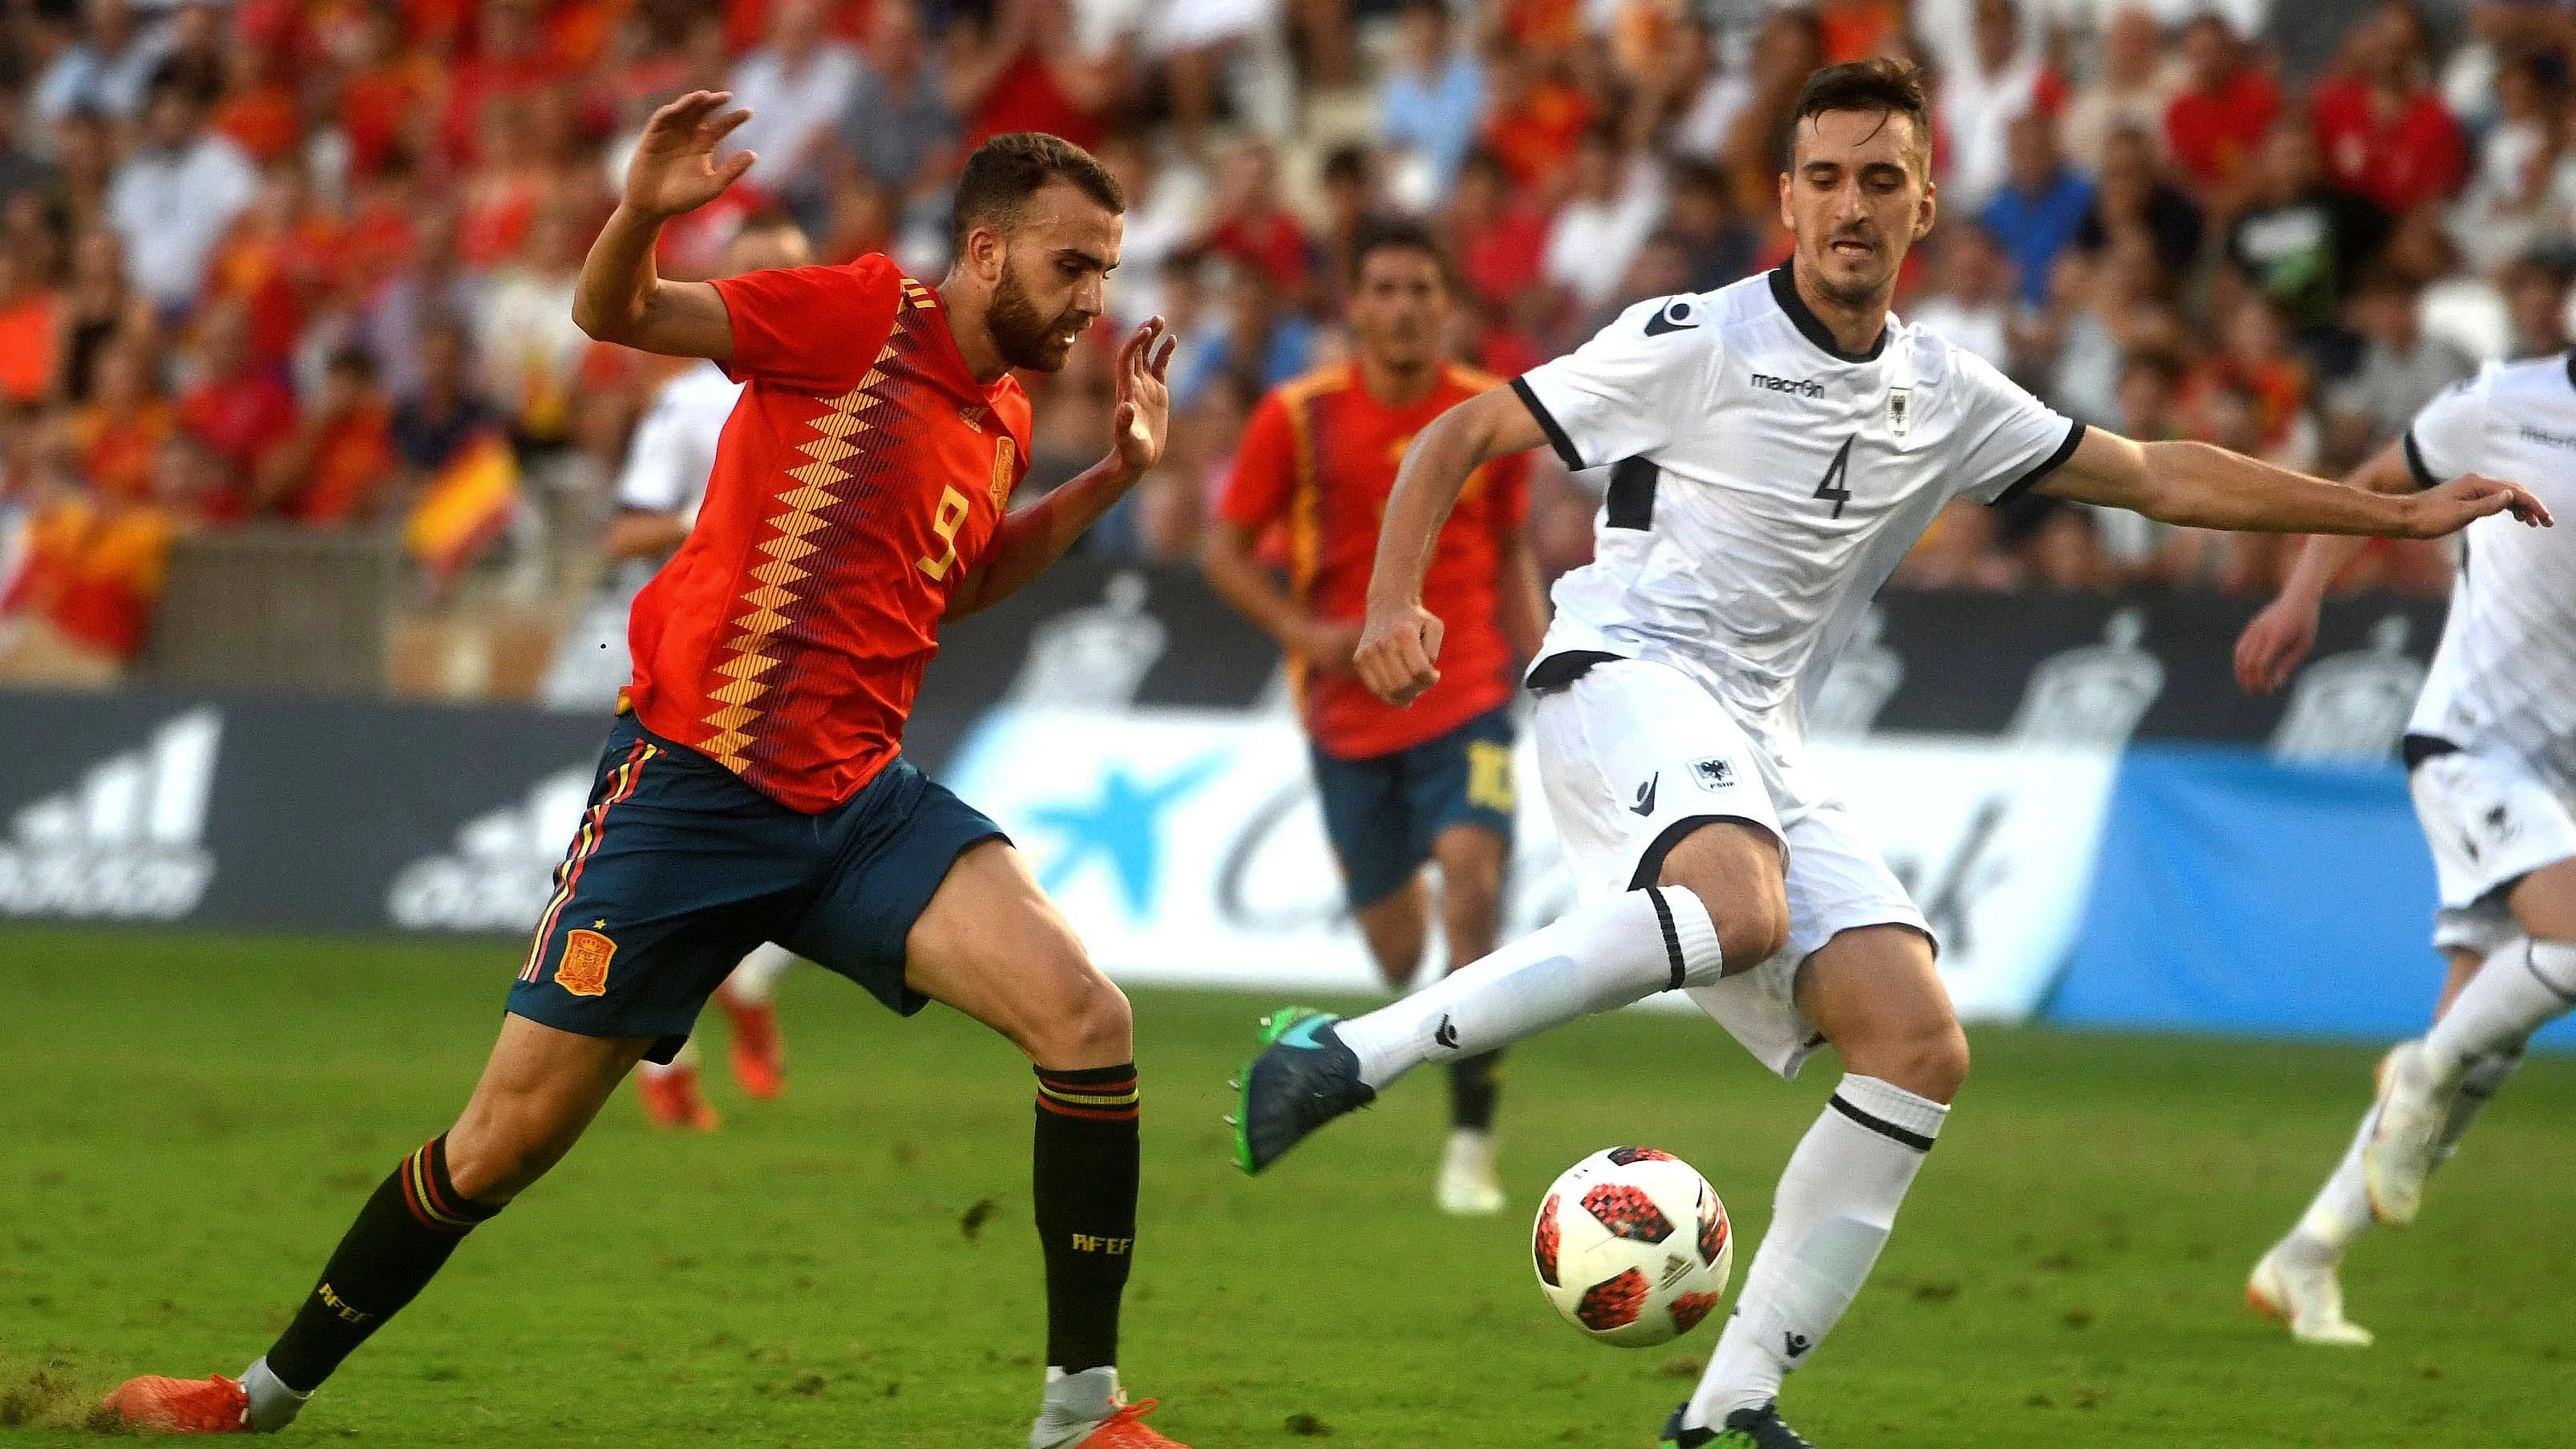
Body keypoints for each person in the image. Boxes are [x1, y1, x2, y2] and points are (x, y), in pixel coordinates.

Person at [1229, 59, 2546, 1449]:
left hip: (1757, 733)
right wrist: (1394, 598)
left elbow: (2156, 472)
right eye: (1823, 178)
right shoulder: (1698, 336)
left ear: (1923, 204)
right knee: (1739, 906)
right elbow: (1463, 428)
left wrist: (2385, 518)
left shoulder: (1944, 388)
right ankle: (1344, 1053)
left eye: (1878, 179)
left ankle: (1729, 1407)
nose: (1848, 206)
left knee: (1915, 1040)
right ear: (1784, 199)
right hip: (1621, 675)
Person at [100, 99, 1189, 1449]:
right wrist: (640, 210)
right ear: (982, 254)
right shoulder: (858, 317)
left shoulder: (1004, 415)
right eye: (1072, 264)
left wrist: (1107, 482)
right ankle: (255, 1397)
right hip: (692, 788)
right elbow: (620, 316)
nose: (1096, 297)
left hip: (853, 801)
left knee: (1087, 1018)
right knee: (498, 1145)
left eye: (1105, 269)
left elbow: (951, 584)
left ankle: (1079, 1416)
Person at [1201, 219, 1547, 1216]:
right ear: (1354, 305)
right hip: (1349, 718)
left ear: (1448, 305)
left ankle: (1472, 1142)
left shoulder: (1490, 412)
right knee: (1399, 953)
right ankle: (1416, 1043)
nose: (1401, 306)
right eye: (1383, 288)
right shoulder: (1296, 418)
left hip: (1469, 692)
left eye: (1420, 289)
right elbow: (1225, 550)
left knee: (1474, 891)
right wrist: (1300, 632)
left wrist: (1547, 656)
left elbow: (1512, 541)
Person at [2234, 353, 2576, 1346]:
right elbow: (2380, 482)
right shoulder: (2509, 399)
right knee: (2556, 960)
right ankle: (2419, 1069)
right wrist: (2302, 595)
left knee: (2487, 1041)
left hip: (2562, 776)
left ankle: (2306, 1257)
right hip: (2475, 740)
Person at [539, 209, 821, 1129]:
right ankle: (672, 1071)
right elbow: (626, 529)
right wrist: (724, 515)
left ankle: (744, 988)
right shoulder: (690, 402)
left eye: (788, 274)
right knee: (657, 869)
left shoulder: (846, 391)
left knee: (813, 864)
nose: (772, 292)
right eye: (752, 274)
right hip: (692, 661)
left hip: (804, 661)